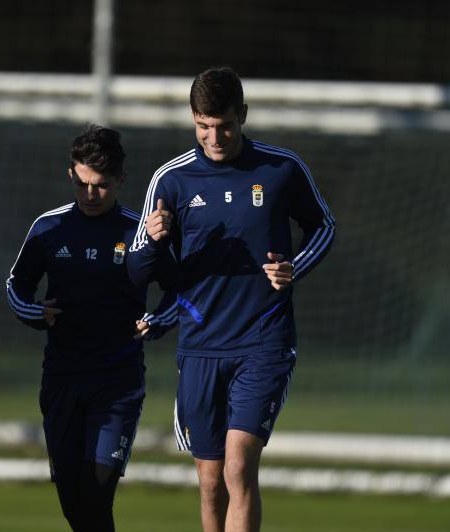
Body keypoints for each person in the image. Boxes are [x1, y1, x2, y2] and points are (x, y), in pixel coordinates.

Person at [127, 67, 335, 532]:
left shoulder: (281, 168)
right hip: (200, 343)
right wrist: (155, 241)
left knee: (239, 466)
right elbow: (138, 271)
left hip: (264, 340)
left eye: (223, 124)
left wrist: (294, 268)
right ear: (193, 120)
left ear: (242, 115)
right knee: (210, 481)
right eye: (203, 126)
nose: (214, 136)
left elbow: (324, 225)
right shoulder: (171, 180)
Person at [5, 125, 177, 532]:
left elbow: (179, 293)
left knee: (97, 491)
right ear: (71, 175)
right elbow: (16, 285)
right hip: (62, 377)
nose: (89, 195)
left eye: (100, 186)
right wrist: (33, 312)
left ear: (120, 179)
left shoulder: (140, 232)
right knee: (73, 500)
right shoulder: (48, 227)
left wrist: (156, 321)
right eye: (82, 184)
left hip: (118, 381)